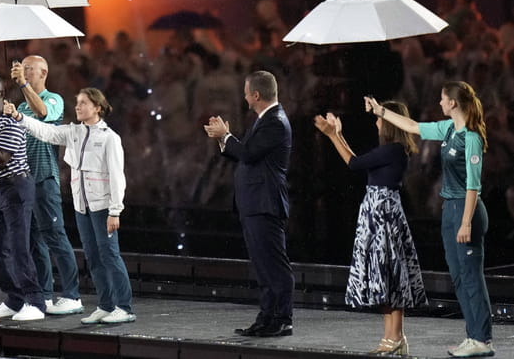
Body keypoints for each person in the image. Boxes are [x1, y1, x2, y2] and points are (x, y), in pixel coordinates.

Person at [366, 83, 494, 358]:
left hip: (466, 209)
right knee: (459, 277)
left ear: (453, 103)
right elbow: (413, 126)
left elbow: (474, 185)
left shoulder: (470, 137)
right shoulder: (448, 129)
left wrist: (467, 222)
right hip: (450, 209)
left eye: (443, 99)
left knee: (471, 276)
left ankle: (482, 338)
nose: (439, 102)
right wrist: (381, 111)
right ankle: (472, 336)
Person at [5, 87, 136, 324]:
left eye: (83, 103)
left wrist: (115, 210)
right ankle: (105, 305)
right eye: (77, 102)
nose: (77, 107)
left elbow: (118, 176)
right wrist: (20, 117)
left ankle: (124, 307)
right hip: (82, 207)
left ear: (97, 107)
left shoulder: (109, 138)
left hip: (103, 207)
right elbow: (46, 132)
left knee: (110, 256)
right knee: (93, 257)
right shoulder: (73, 132)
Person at [314, 102, 428, 355]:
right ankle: (392, 337)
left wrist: (334, 136)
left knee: (390, 273)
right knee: (385, 274)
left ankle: (395, 336)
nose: (376, 123)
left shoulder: (394, 150)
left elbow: (354, 164)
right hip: (377, 211)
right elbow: (357, 162)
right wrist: (337, 134)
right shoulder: (390, 150)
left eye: (379, 119)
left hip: (384, 213)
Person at [203, 70, 294, 337]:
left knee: (274, 265)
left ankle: (282, 318)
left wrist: (226, 136)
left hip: (265, 202)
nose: (244, 97)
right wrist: (224, 138)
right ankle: (267, 317)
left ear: (256, 95)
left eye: (246, 93)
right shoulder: (264, 120)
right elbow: (247, 156)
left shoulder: (275, 121)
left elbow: (250, 153)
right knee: (263, 265)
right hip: (255, 203)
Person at [8, 56, 83, 316]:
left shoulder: (54, 99)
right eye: (23, 68)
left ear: (44, 72)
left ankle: (73, 295)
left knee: (55, 236)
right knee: (33, 241)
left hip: (44, 177)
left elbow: (42, 113)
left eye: (30, 68)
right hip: (24, 179)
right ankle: (45, 295)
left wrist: (21, 85)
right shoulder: (20, 104)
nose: (25, 71)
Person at [0, 75, 46, 322]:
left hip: (17, 186)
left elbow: (2, 158)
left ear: (2, 93)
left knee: (19, 247)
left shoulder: (11, 120)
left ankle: (35, 301)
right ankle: (15, 298)